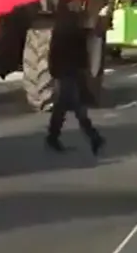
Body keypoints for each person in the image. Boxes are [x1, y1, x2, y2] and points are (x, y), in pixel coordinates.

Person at [45, 20, 105, 154]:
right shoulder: (71, 28)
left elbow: (55, 52)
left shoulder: (66, 27)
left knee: (64, 105)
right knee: (76, 106)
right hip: (69, 70)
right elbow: (77, 51)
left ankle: (53, 136)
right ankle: (93, 137)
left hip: (70, 70)